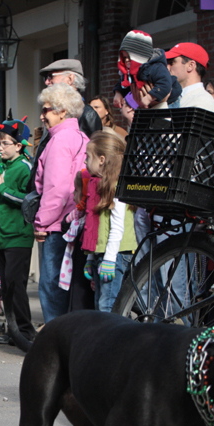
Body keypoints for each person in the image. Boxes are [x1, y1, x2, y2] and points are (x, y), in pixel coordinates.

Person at [33, 83, 89, 323]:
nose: (42, 116)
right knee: (68, 288)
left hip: (57, 225)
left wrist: (41, 223)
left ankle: (55, 339)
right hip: (74, 222)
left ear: (62, 111)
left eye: (46, 110)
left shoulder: (60, 140)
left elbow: (56, 189)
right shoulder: (81, 137)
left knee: (51, 287)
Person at [0, 117, 35, 347]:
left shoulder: (25, 167)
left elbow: (30, 200)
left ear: (19, 145)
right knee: (6, 287)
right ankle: (13, 330)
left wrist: (3, 187)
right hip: (1, 234)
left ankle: (25, 332)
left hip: (18, 236)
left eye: (5, 143)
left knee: (16, 286)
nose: (0, 147)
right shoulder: (1, 164)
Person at [80, 131, 136, 312]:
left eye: (88, 157)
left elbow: (117, 227)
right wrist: (91, 257)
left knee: (108, 304)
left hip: (115, 254)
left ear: (102, 160)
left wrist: (110, 259)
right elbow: (94, 227)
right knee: (99, 302)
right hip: (103, 253)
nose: (85, 161)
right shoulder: (98, 185)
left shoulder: (116, 187)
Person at [165, 42, 214, 112]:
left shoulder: (203, 101)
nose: (167, 67)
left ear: (190, 66)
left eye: (172, 63)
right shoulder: (173, 96)